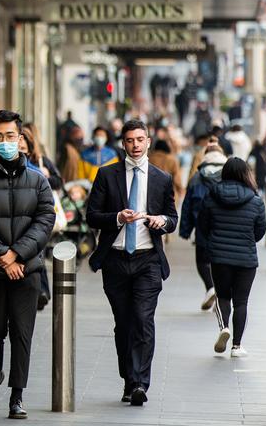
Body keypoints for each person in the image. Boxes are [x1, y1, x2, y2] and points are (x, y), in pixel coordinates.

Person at [0, 110, 55, 420]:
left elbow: (45, 222)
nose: (5, 142)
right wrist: (4, 257)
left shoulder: (39, 180)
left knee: (22, 332)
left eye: (10, 136)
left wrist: (17, 254)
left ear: (21, 138)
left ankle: (17, 395)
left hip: (27, 270)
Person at [86, 119, 178, 407]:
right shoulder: (107, 175)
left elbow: (172, 218)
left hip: (148, 259)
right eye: (129, 140)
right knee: (124, 323)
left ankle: (139, 383)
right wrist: (117, 217)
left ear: (148, 141)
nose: (135, 145)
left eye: (140, 139)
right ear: (123, 143)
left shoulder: (162, 178)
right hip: (115, 259)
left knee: (142, 319)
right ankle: (128, 378)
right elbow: (91, 215)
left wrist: (161, 220)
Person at [197, 157, 266, 358]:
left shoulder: (211, 196)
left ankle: (223, 327)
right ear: (246, 174)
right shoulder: (256, 201)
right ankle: (237, 346)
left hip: (219, 257)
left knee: (223, 296)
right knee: (241, 302)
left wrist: (213, 241)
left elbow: (203, 225)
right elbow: (260, 232)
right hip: (246, 259)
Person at [19, 126, 63, 310]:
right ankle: (38, 291)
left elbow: (58, 181)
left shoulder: (41, 163)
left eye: (22, 147)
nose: (19, 152)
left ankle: (41, 292)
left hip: (37, 218)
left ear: (29, 147)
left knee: (37, 253)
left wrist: (46, 176)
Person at [179, 145, 227, 310]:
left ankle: (210, 287)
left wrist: (185, 230)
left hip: (202, 226)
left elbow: (187, 205)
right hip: (224, 226)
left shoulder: (197, 178)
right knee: (221, 262)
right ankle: (221, 292)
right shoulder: (231, 175)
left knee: (202, 261)